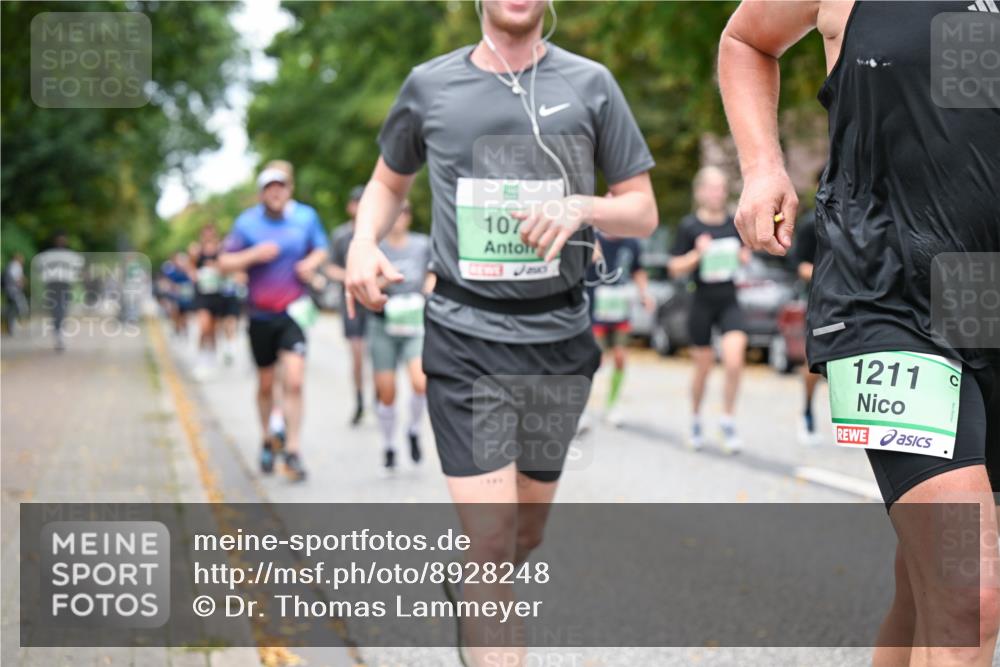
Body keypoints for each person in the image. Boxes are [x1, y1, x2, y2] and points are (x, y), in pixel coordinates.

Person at [345, 1, 656, 663]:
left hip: (560, 339)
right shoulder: (431, 85)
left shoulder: (592, 83)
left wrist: (581, 206)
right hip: (464, 337)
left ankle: (471, 581)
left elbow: (642, 210)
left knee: (523, 536)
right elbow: (386, 182)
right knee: (491, 539)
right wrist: (362, 243)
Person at [719, 2, 999, 665]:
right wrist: (762, 166)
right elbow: (745, 41)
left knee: (925, 586)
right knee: (970, 591)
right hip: (886, 292)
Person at [219, 161, 328, 482]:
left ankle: (293, 449)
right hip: (259, 314)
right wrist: (252, 256)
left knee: (294, 380)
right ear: (261, 193)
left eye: (280, 186)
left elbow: (321, 249)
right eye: (269, 187)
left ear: (289, 189)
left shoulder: (306, 217)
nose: (275, 192)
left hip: (293, 312)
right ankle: (268, 437)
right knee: (266, 384)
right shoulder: (247, 223)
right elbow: (224, 262)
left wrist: (310, 263)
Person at [668, 166, 750, 453]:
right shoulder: (690, 226)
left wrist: (743, 257)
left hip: (729, 300)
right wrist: (697, 254)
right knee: (703, 366)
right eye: (711, 187)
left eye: (720, 187)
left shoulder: (733, 224)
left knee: (735, 360)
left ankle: (727, 420)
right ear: (700, 191)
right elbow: (674, 267)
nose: (716, 193)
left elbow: (743, 258)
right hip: (701, 302)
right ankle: (695, 419)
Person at [368, 201, 434, 472]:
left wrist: (427, 291)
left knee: (420, 383)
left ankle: (414, 430)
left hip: (414, 322)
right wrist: (385, 280)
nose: (399, 218)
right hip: (383, 323)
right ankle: (389, 445)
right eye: (394, 212)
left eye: (404, 212)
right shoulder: (374, 247)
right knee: (387, 392)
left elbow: (433, 272)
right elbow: (366, 282)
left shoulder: (421, 244)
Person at [585, 226, 655, 428]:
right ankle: (581, 406)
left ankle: (612, 405)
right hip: (595, 310)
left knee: (620, 357)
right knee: (593, 359)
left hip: (620, 310)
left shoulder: (631, 243)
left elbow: (638, 270)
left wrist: (644, 293)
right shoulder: (592, 239)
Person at [327, 185, 370, 426]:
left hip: (375, 304)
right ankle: (360, 398)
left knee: (378, 354)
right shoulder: (341, 235)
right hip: (352, 303)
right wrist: (351, 276)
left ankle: (380, 398)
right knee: (357, 355)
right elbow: (330, 267)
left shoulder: (378, 232)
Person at [791, 209, 823, 446]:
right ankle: (807, 411)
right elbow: (798, 265)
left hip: (857, 302)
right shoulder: (811, 222)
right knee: (815, 361)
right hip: (819, 303)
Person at [33, 231, 84, 352]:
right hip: (52, 285)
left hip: (65, 285)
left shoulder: (70, 256)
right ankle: (58, 334)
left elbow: (78, 269)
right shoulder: (48, 255)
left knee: (62, 309)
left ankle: (60, 334)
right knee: (56, 310)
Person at [189, 225, 226, 378]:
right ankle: (201, 359)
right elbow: (190, 268)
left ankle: (212, 355)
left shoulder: (221, 250)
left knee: (213, 329)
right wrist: (196, 275)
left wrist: (217, 268)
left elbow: (227, 268)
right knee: (204, 327)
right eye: (205, 234)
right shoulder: (196, 251)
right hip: (202, 294)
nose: (208, 236)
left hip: (217, 294)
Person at [161, 252, 196, 337]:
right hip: (174, 295)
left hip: (185, 295)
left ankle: (184, 329)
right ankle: (177, 328)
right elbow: (166, 281)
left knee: (185, 313)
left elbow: (192, 279)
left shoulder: (186, 270)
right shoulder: (170, 270)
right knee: (175, 311)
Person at [2, 252, 27, 335]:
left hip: (11, 291)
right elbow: (16, 279)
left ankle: (12, 327)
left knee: (12, 309)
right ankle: (16, 325)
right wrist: (23, 281)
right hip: (14, 291)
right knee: (20, 308)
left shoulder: (11, 265)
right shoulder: (15, 265)